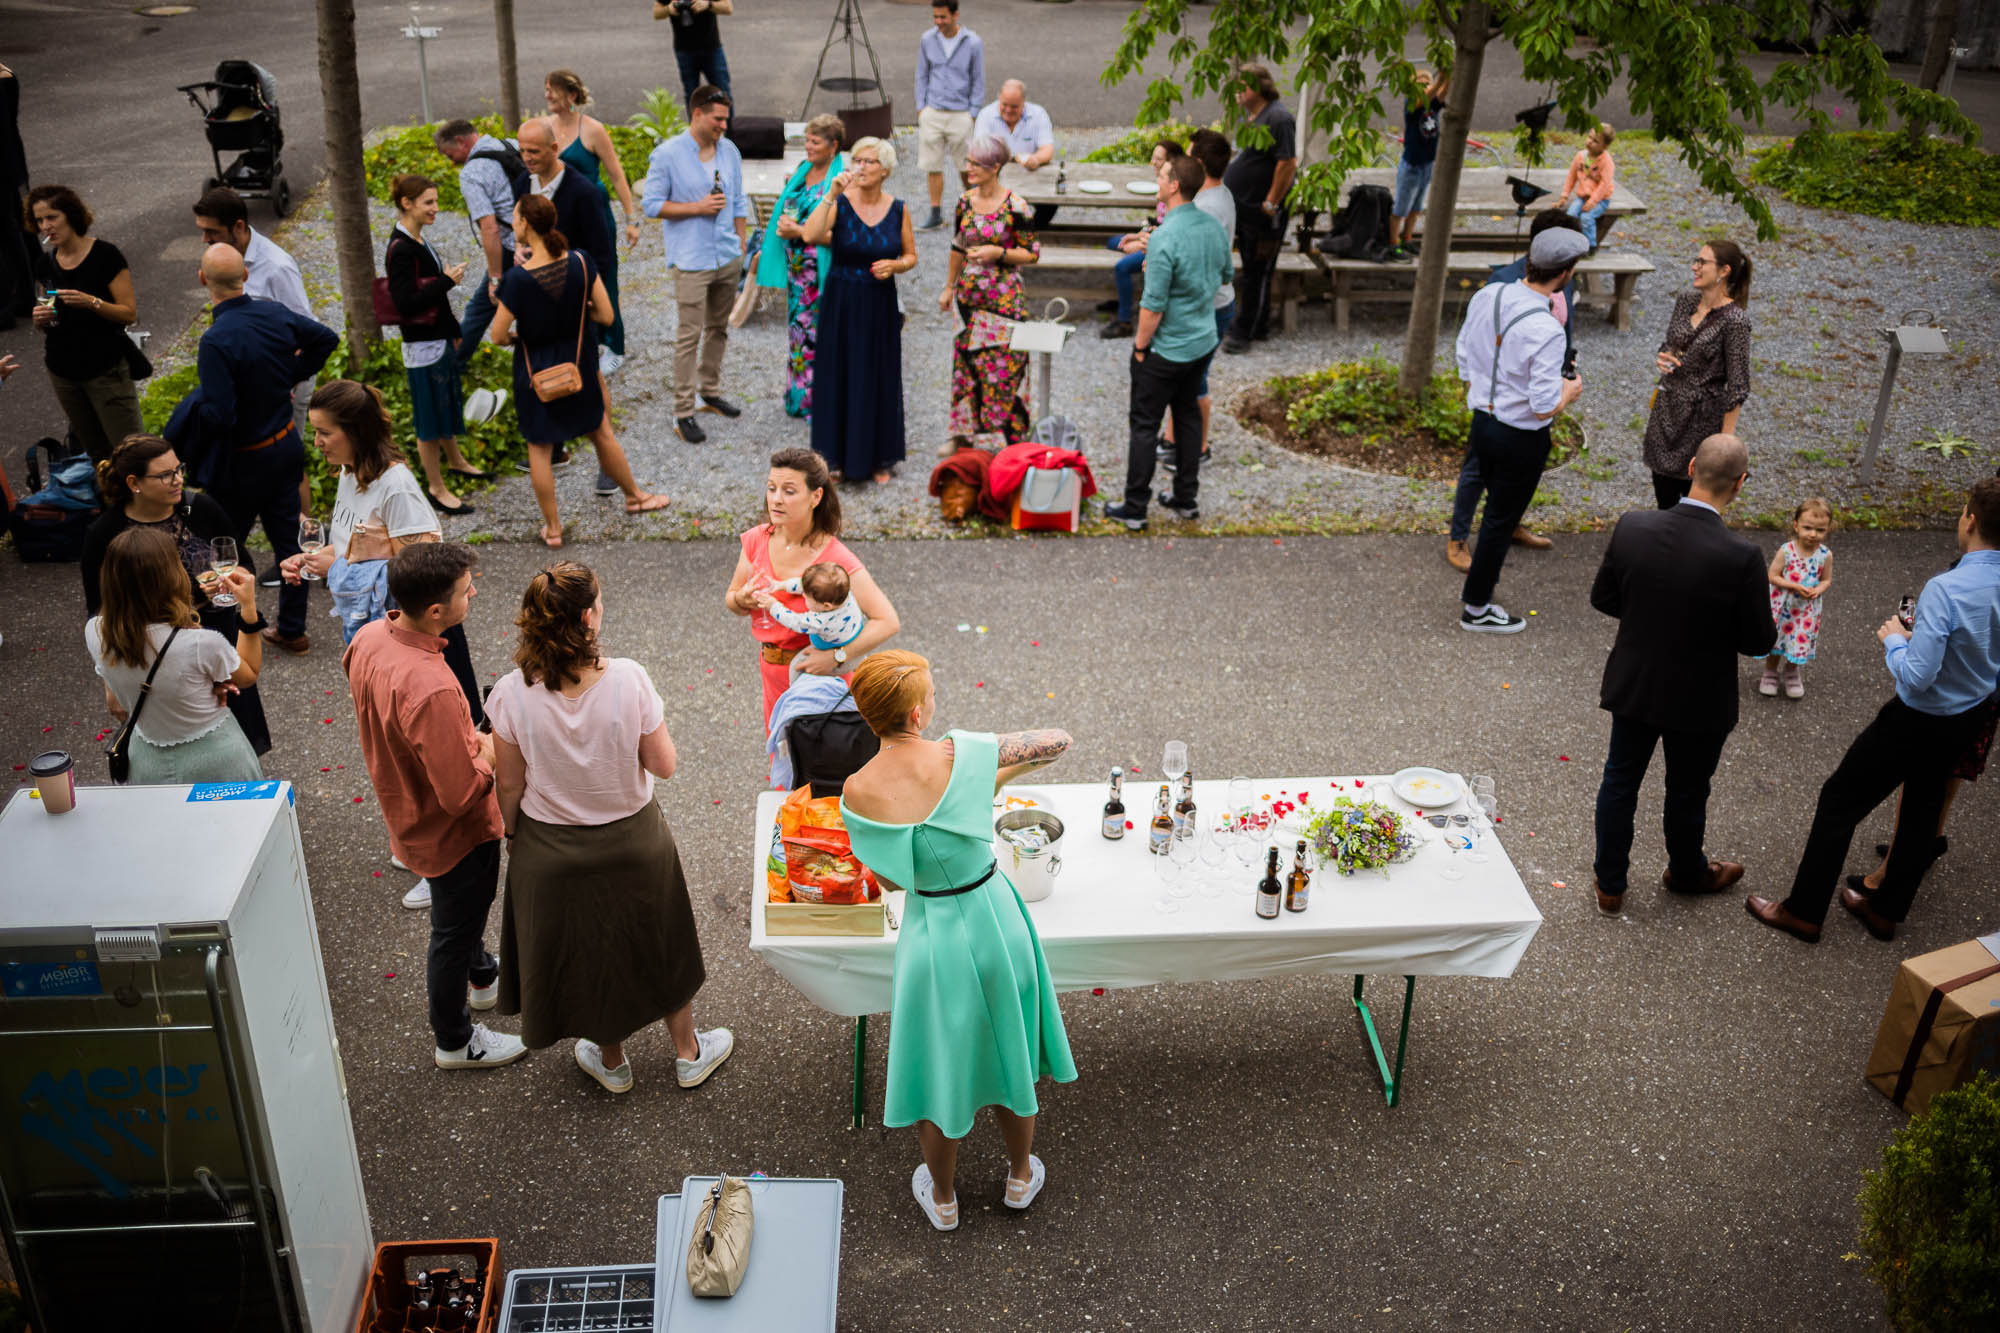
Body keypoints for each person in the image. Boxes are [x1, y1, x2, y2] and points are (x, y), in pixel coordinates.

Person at [838, 651, 1077, 1231]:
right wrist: (982, 758)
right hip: (995, 920)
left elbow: (893, 879)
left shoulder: (856, 791)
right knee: (1010, 1052)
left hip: (931, 935)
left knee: (937, 1067)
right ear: (918, 711)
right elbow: (1057, 739)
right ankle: (1019, 1175)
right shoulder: (964, 756)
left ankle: (943, 1199)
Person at [489, 562, 732, 1095]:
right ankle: (688, 1053)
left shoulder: (509, 693)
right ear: (588, 617)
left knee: (588, 950)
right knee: (659, 941)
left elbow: (509, 785)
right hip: (633, 840)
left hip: (552, 849)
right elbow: (664, 765)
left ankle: (612, 1060)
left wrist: (512, 833)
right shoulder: (628, 678)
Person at [1749, 479, 2000, 944]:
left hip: (1918, 717)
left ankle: (1803, 911)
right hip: (1970, 714)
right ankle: (1886, 911)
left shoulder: (1948, 588)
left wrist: (1893, 641)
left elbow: (1918, 675)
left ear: (1970, 519)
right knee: (1924, 809)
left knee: (1839, 799)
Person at [345, 543, 527, 1070]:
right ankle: (454, 1039)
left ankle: (483, 974)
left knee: (460, 920)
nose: (473, 592)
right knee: (452, 929)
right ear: (436, 612)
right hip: (453, 834)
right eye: (465, 589)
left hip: (404, 807)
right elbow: (461, 794)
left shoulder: (370, 637)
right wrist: (488, 751)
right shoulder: (432, 686)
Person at [1587, 434, 1775, 916]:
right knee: (1688, 789)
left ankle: (1610, 884)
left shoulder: (1633, 526)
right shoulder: (1742, 556)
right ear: (1741, 483)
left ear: (1691, 466)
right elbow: (1758, 641)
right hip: (1700, 696)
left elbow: (1605, 599)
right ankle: (1687, 872)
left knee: (1619, 781)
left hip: (1637, 681)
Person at [489, 195, 670, 548]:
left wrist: (520, 335)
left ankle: (554, 529)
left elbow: (497, 335)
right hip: (580, 365)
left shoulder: (516, 280)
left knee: (539, 450)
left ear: (526, 223)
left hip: (536, 373)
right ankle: (634, 496)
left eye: (515, 218)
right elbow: (607, 316)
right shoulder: (582, 263)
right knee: (601, 433)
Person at [188, 242, 339, 654]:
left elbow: (219, 413)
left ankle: (227, 621)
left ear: (203, 280)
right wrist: (288, 376)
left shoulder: (216, 341)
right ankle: (292, 628)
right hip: (283, 445)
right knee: (289, 539)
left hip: (242, 459)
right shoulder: (274, 314)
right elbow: (326, 338)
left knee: (224, 541)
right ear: (247, 276)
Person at [81, 435, 273, 758]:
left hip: (216, 634)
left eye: (179, 469)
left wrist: (231, 589)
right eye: (166, 474)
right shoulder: (105, 533)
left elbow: (243, 564)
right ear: (134, 483)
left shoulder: (202, 510)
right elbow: (99, 611)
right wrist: (109, 684)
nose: (179, 479)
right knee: (176, 740)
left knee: (235, 731)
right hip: (151, 649)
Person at [1451, 227, 1587, 634]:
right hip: (1520, 437)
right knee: (1499, 520)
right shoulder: (1546, 329)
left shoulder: (1488, 295)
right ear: (1564, 274)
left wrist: (1484, 391)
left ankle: (1478, 600)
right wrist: (1570, 391)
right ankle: (1477, 608)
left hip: (1483, 422)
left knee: (1494, 511)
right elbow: (1544, 405)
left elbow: (1463, 352)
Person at [725, 448, 902, 728]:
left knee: (822, 765)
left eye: (789, 491)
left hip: (822, 681)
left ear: (816, 497)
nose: (776, 499)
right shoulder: (756, 540)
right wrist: (741, 599)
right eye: (771, 488)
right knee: (783, 758)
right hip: (772, 672)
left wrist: (836, 656)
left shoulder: (835, 558)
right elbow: (732, 601)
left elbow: (887, 621)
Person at [1102, 155, 1232, 532]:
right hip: (1202, 338)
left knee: (1144, 425)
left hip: (1167, 348)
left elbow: (1152, 307)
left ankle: (1135, 507)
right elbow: (1224, 274)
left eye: (1161, 176)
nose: (1157, 180)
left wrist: (1140, 348)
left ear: (1174, 185)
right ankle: (1185, 498)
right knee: (1188, 417)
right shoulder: (1212, 227)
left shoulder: (1164, 238)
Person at [85, 528, 264, 783]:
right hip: (216, 761)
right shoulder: (201, 643)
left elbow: (117, 703)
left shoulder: (95, 631)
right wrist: (248, 608)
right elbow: (248, 675)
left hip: (146, 764)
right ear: (172, 576)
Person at [193, 185, 323, 535]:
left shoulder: (276, 266)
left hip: (283, 382)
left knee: (287, 459)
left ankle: (301, 543)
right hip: (251, 380)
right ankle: (285, 537)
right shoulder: (224, 258)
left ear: (238, 227)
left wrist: (287, 382)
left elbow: (304, 330)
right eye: (202, 231)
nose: (205, 239)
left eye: (212, 231)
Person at [638, 84, 749, 445]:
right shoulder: (668, 155)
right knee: (689, 335)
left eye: (726, 120)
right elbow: (652, 205)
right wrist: (696, 209)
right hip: (691, 259)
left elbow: (738, 200)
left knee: (719, 328)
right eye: (718, 119)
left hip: (727, 254)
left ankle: (710, 392)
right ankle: (682, 411)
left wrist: (742, 248)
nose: (723, 126)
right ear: (697, 113)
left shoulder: (729, 150)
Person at [802, 136, 915, 485]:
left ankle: (879, 457)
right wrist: (830, 194)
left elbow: (911, 255)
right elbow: (810, 234)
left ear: (885, 170)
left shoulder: (898, 208)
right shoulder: (841, 203)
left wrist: (895, 267)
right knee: (838, 372)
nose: (860, 167)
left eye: (868, 162)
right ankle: (833, 458)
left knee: (878, 373)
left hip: (879, 302)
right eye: (857, 160)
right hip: (842, 299)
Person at [385, 173, 483, 518]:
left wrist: (453, 329)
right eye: (428, 202)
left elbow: (433, 300)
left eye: (436, 202)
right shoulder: (401, 249)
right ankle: (435, 487)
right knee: (428, 419)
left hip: (436, 340)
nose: (436, 209)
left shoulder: (417, 240)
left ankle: (456, 461)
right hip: (422, 347)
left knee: (444, 404)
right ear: (406, 204)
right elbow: (405, 302)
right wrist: (446, 281)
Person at [26, 184, 143, 462]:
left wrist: (91, 302)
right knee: (97, 456)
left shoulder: (105, 255)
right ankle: (110, 503)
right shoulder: (44, 264)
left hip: (105, 371)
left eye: (52, 217)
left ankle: (147, 504)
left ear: (71, 215)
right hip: (63, 372)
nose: (46, 227)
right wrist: (39, 318)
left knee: (131, 453)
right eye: (40, 220)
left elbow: (129, 314)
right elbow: (47, 312)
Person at [938, 137, 1040, 454]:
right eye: (968, 162)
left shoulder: (1017, 207)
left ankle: (1013, 437)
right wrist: (948, 286)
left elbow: (1032, 254)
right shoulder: (965, 201)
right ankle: (962, 435)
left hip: (1004, 300)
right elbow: (957, 244)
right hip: (969, 300)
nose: (969, 169)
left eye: (976, 164)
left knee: (1006, 366)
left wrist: (1000, 252)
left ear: (995, 167)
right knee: (966, 366)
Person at [544, 70, 640, 377]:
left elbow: (615, 174)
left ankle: (614, 345)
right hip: (560, 216)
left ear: (570, 96)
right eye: (546, 90)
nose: (547, 96)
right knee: (566, 275)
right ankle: (580, 338)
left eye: (552, 91)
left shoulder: (592, 130)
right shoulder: (544, 128)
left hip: (593, 215)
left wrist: (631, 218)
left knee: (602, 274)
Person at [1643, 240, 1751, 509]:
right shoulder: (1686, 301)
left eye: (1702, 262)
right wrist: (1664, 356)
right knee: (1664, 498)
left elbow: (1737, 385)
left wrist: (1724, 442)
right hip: (1666, 413)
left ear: (1724, 271)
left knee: (1694, 504)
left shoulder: (1735, 320)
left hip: (1701, 423)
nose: (1695, 267)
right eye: (1696, 260)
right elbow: (1672, 344)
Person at [756, 115, 847, 419]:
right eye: (806, 140)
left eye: (815, 141)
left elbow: (848, 235)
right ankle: (798, 395)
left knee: (823, 336)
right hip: (798, 274)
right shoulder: (802, 170)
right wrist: (785, 224)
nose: (807, 147)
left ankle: (822, 402)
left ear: (833, 146)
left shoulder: (840, 181)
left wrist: (799, 232)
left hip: (823, 270)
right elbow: (792, 206)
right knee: (799, 334)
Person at [1160, 129, 1235, 470]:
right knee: (1185, 378)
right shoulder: (1217, 196)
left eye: (1189, 157)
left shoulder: (1208, 207)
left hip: (1210, 304)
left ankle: (1199, 446)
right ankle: (1173, 438)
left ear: (1201, 164)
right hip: (1210, 300)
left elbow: (1203, 263)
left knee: (1196, 381)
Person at [433, 119, 522, 371]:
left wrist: (495, 278)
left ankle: (451, 367)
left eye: (449, 154)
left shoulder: (472, 174)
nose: (451, 161)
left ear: (461, 141)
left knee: (479, 309)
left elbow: (490, 227)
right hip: (537, 239)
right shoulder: (510, 145)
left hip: (510, 247)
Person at [1219, 65, 1296, 354]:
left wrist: (1270, 202)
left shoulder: (1278, 117)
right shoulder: (1249, 116)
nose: (1238, 90)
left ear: (1261, 86)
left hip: (1265, 213)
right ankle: (1258, 324)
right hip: (1245, 208)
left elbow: (1287, 162)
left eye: (1243, 85)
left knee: (1257, 272)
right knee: (1251, 268)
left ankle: (1243, 333)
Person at [1097, 140, 1183, 342]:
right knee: (1113, 242)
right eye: (1153, 157)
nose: (1153, 162)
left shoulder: (1173, 192)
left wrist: (1142, 243)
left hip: (1159, 245)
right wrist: (1137, 235)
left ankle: (1124, 320)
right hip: (1153, 235)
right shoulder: (1163, 187)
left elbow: (1169, 231)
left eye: (1159, 159)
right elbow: (1159, 224)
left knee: (1122, 267)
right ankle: (1123, 297)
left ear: (1171, 162)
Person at [915, 0, 986, 231]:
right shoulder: (928, 39)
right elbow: (921, 75)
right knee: (932, 165)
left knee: (967, 167)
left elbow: (978, 79)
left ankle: (974, 210)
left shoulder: (973, 42)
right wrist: (921, 108)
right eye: (935, 17)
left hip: (960, 113)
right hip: (933, 111)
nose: (938, 22)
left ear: (956, 15)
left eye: (943, 17)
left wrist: (972, 113)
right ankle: (935, 213)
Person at [1762, 497, 1834, 700]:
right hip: (1782, 606)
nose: (1813, 534)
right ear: (1796, 525)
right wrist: (1794, 585)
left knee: (1798, 641)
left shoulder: (1825, 555)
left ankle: (1792, 672)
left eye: (1820, 530)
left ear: (1828, 529)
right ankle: (1770, 672)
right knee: (1777, 639)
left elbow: (1826, 579)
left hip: (1805, 610)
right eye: (1808, 527)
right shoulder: (1787, 551)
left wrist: (1819, 589)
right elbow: (1772, 576)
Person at [974, 78, 1055, 225]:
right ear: (999, 98)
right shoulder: (986, 115)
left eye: (1014, 106)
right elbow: (980, 150)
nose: (1008, 110)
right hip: (995, 173)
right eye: (1004, 104)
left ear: (1024, 102)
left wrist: (1035, 159)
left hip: (1029, 174)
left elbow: (1047, 149)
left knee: (1050, 202)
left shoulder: (1038, 114)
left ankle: (1029, 230)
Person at [754, 561, 865, 666]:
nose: (803, 596)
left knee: (796, 666)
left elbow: (795, 622)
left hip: (834, 647)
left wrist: (773, 606)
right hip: (854, 633)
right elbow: (806, 585)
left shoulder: (819, 621)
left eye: (807, 597)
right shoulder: (843, 594)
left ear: (826, 606)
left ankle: (798, 685)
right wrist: (781, 585)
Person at [1389, 69, 1448, 260]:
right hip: (1412, 165)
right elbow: (1429, 94)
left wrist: (1448, 76)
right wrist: (1439, 82)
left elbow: (1443, 92)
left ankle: (1407, 238)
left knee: (1416, 208)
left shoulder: (1432, 106)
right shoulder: (1412, 105)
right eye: (1421, 85)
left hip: (1427, 164)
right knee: (1401, 208)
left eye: (1427, 84)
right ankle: (1393, 243)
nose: (1426, 88)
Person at [653, 0, 732, 108]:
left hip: (711, 47)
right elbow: (656, 13)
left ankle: (727, 124)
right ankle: (695, 124)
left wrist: (708, 5)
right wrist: (669, 9)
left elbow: (728, 8)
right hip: (684, 50)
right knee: (692, 97)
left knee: (723, 93)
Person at [1553, 124, 1616, 252]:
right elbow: (1571, 177)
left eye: (1595, 141)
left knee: (1586, 217)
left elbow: (1604, 184)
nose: (1590, 142)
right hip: (1583, 196)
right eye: (1589, 137)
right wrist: (1564, 196)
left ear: (1604, 146)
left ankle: (1591, 246)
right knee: (1570, 215)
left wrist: (1593, 202)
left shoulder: (1606, 162)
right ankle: (1573, 242)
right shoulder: (1580, 156)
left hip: (1600, 199)